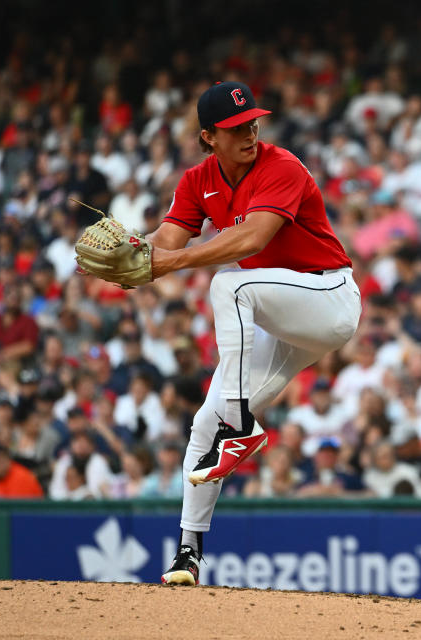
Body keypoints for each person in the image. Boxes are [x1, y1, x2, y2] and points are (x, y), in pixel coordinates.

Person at [91, 82, 361, 585]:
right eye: (236, 128)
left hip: (327, 300)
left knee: (228, 285)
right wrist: (132, 253)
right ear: (207, 137)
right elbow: (167, 241)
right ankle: (188, 553)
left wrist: (168, 262)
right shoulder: (197, 180)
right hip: (278, 315)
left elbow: (253, 237)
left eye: (253, 122)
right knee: (201, 423)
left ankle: (241, 427)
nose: (249, 132)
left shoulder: (282, 165)